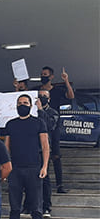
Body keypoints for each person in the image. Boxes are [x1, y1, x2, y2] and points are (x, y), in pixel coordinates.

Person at [4, 95, 49, 219]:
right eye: (19, 103)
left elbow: (45, 146)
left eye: (25, 103)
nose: (22, 105)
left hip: (34, 169)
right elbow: (6, 148)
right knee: (14, 209)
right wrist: (6, 168)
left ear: (30, 105)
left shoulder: (38, 123)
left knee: (37, 209)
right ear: (15, 106)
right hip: (15, 170)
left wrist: (44, 166)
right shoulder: (11, 124)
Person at [39, 66, 72, 194]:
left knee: (56, 156)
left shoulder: (57, 90)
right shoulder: (36, 91)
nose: (43, 76)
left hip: (53, 127)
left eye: (45, 74)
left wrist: (66, 81)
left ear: (51, 76)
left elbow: (70, 96)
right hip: (39, 127)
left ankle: (60, 185)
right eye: (41, 74)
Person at [36, 90, 60, 217]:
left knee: (44, 179)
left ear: (49, 99)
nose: (42, 98)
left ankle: (46, 206)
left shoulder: (53, 113)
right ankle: (30, 205)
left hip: (44, 149)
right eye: (40, 96)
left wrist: (41, 110)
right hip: (32, 149)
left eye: (45, 96)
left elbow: (50, 125)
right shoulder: (31, 112)